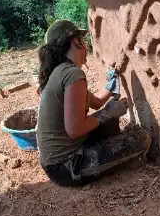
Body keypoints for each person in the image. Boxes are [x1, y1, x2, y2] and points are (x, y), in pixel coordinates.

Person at [36, 19, 151, 187]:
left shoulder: (61, 72)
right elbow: (74, 129)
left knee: (109, 122)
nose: (85, 44)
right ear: (75, 41)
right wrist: (107, 113)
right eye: (82, 40)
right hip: (66, 166)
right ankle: (125, 162)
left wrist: (111, 85)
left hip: (57, 160)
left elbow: (96, 102)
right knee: (140, 139)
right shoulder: (72, 74)